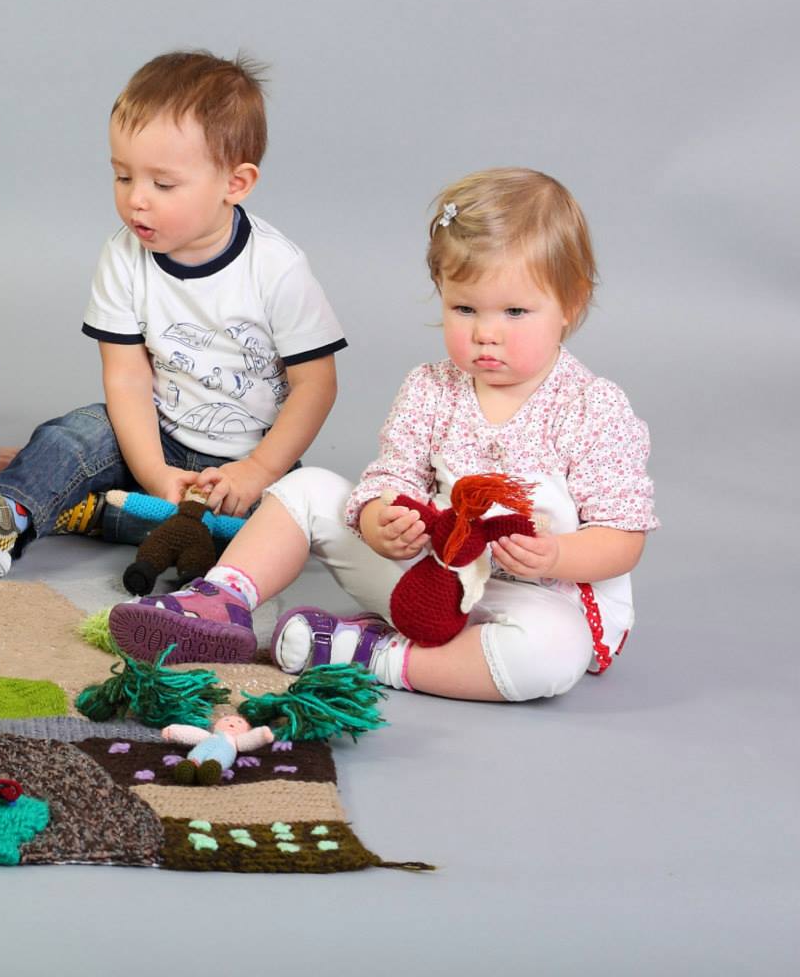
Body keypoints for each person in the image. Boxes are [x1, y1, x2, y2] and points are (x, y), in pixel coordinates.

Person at [109, 168, 655, 703]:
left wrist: (555, 556)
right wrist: (380, 520)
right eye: (464, 308)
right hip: (427, 583)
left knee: (551, 654)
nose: (486, 333)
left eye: (515, 311)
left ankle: (369, 654)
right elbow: (392, 476)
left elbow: (622, 537)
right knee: (306, 489)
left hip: (530, 601)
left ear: (571, 304)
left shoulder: (593, 408)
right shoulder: (431, 387)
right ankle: (220, 600)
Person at [0, 52, 346, 575]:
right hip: (152, 436)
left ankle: (92, 511)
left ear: (234, 184)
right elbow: (126, 376)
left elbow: (316, 385)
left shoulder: (276, 267)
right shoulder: (123, 255)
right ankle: (5, 512)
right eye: (123, 177)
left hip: (252, 457)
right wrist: (154, 473)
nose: (136, 200)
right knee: (72, 433)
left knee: (282, 522)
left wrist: (258, 470)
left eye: (163, 185)